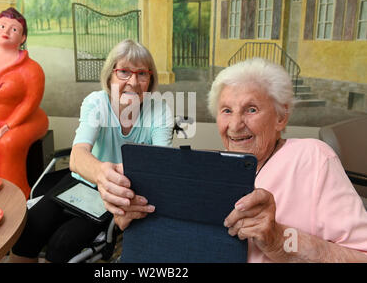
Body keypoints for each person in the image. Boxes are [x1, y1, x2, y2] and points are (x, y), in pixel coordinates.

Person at [115, 57, 367, 263]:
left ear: (281, 117)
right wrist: (131, 216)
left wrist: (281, 240)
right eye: (226, 111)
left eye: (251, 109)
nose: (235, 125)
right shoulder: (212, 170)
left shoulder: (313, 158)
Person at [10, 39, 173, 262]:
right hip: (80, 181)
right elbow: (77, 157)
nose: (133, 82)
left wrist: (117, 183)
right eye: (124, 72)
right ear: (110, 76)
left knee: (62, 244)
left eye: (142, 74)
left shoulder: (160, 109)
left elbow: (163, 164)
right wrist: (103, 174)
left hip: (118, 195)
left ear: (150, 79)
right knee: (28, 230)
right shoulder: (96, 102)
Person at [0, 8, 48, 198]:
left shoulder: (32, 68)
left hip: (27, 119)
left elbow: (30, 102)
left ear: (22, 38)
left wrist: (9, 125)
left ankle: (17, 195)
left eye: (14, 29)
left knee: (9, 143)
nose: (6, 31)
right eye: (3, 26)